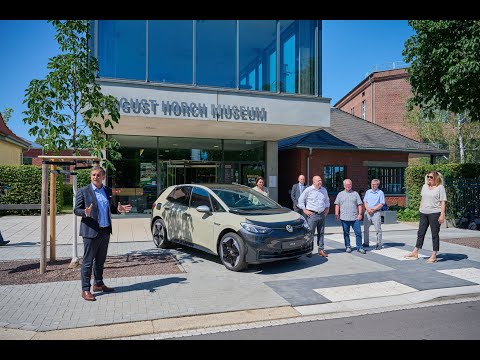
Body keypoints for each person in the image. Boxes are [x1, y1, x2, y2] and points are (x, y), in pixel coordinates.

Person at [74, 166, 132, 301]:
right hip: (91, 231)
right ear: (91, 176)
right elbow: (76, 209)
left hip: (105, 230)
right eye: (93, 175)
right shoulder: (84, 191)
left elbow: (111, 208)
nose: (95, 177)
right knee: (88, 262)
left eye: (98, 175)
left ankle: (98, 284)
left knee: (100, 261)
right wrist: (84, 212)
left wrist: (119, 209)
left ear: (103, 177)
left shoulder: (107, 190)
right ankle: (85, 290)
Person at [404, 171, 447, 263]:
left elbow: (443, 201)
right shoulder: (424, 187)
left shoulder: (440, 188)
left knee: (434, 234)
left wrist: (442, 215)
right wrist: (420, 208)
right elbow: (422, 198)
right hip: (423, 213)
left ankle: (434, 255)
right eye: (428, 177)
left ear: (436, 178)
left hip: (435, 213)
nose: (429, 179)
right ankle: (415, 252)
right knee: (420, 232)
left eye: (431, 177)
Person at [297, 175, 330, 257]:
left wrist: (327, 208)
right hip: (312, 215)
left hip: (322, 214)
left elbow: (326, 200)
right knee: (310, 233)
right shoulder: (308, 190)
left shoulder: (324, 190)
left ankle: (321, 250)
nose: (320, 182)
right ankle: (308, 250)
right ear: (314, 182)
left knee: (321, 233)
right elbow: (300, 201)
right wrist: (304, 210)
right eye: (318, 181)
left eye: (321, 180)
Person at [334, 179, 366, 254]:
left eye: (350, 185)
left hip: (355, 218)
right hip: (344, 218)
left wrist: (360, 214)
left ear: (351, 185)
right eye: (347, 185)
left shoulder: (355, 194)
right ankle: (348, 246)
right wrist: (336, 214)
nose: (348, 186)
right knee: (346, 233)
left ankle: (359, 247)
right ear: (344, 185)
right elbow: (337, 204)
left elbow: (359, 204)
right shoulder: (340, 194)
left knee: (358, 233)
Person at [363, 179, 386, 250]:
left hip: (376, 212)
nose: (372, 185)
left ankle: (379, 243)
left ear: (378, 185)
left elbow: (382, 203)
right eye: (372, 184)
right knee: (365, 229)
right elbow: (365, 201)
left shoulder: (380, 193)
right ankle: (366, 242)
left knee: (378, 229)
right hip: (368, 212)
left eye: (374, 184)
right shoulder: (368, 192)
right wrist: (368, 209)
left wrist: (373, 209)